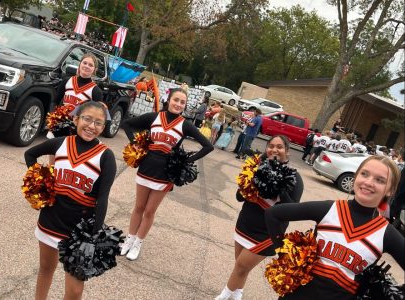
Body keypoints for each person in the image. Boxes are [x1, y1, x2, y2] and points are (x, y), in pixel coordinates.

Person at [265, 155, 404, 300]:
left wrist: (391, 294)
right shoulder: (330, 209)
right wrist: (284, 254)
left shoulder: (385, 233)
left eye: (380, 180)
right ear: (356, 176)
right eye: (364, 174)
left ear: (390, 190)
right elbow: (273, 214)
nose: (369, 182)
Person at [24, 101, 116, 300]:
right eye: (87, 119)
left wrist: (94, 233)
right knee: (46, 268)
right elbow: (30, 154)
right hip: (51, 219)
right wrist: (41, 182)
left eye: (98, 123)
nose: (92, 126)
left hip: (79, 230)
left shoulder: (106, 156)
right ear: (76, 119)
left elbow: (103, 198)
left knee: (75, 290)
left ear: (103, 127)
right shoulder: (61, 143)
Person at [120, 88, 213, 260]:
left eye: (182, 102)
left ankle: (138, 243)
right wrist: (136, 145)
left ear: (185, 106)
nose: (178, 104)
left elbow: (208, 146)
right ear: (168, 100)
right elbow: (127, 124)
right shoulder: (154, 117)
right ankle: (129, 239)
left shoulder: (185, 124)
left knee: (149, 211)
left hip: (166, 173)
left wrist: (186, 160)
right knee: (139, 207)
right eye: (175, 100)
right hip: (146, 167)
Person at [215, 135, 304, 300]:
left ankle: (224, 296)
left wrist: (280, 187)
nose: (274, 150)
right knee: (241, 267)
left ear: (287, 151)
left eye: (279, 147)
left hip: (267, 233)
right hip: (245, 224)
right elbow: (239, 197)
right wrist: (253, 179)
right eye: (271, 146)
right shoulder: (256, 166)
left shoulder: (294, 178)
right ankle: (237, 294)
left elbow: (293, 211)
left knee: (241, 266)